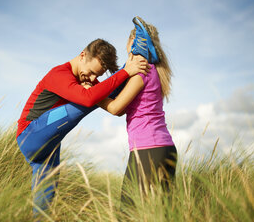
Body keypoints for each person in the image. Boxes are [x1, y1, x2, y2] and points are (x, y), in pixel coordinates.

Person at [16, 38, 149, 216]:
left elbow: (116, 109)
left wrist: (127, 81)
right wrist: (125, 71)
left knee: (43, 211)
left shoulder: (89, 81)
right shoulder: (59, 74)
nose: (93, 78)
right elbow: (88, 99)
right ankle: (134, 57)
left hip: (47, 151)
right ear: (82, 55)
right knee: (89, 98)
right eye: (92, 72)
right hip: (30, 134)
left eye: (98, 75)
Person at [96, 17, 177, 210]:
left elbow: (116, 109)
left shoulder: (142, 72)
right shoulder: (156, 71)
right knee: (162, 214)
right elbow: (123, 107)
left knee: (128, 213)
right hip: (165, 148)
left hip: (147, 150)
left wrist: (93, 94)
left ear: (131, 43)